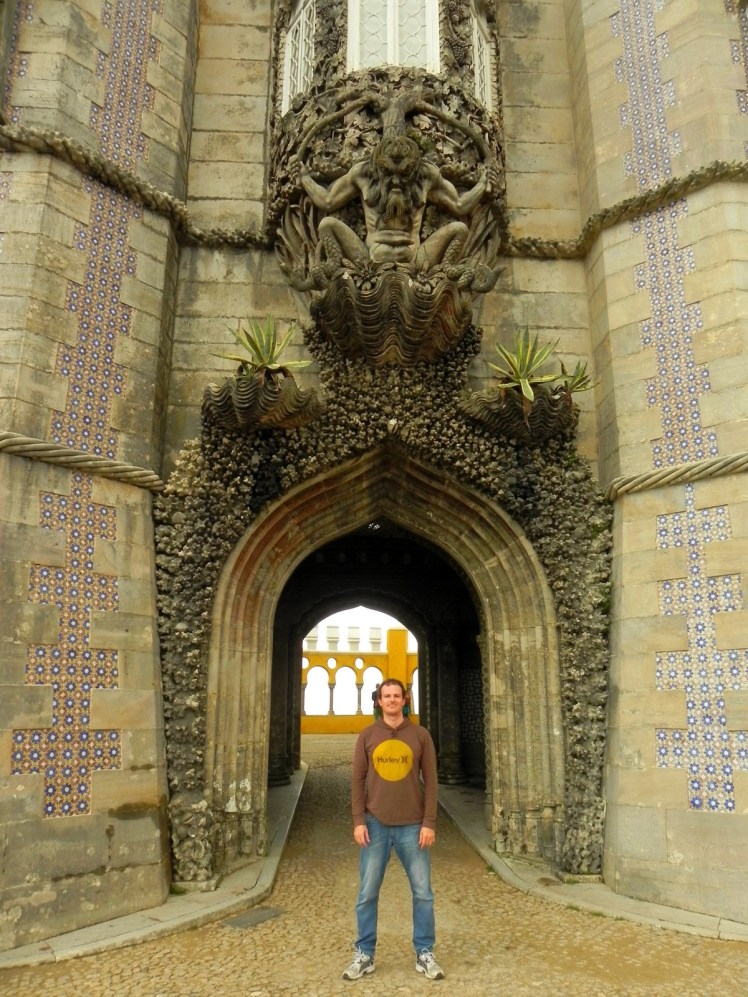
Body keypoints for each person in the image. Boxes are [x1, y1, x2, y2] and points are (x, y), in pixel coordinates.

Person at [342, 678, 444, 981]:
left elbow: (432, 782)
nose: (391, 700)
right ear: (378, 701)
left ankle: (424, 952)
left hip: (413, 826)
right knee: (367, 893)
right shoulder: (367, 736)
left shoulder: (421, 736)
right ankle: (365, 954)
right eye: (386, 696)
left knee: (423, 893)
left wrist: (429, 822)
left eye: (396, 696)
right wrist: (358, 820)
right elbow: (357, 780)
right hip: (375, 825)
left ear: (405, 699)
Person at [299, 133, 496, 272]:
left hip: (417, 259)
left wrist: (482, 184)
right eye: (388, 172)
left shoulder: (426, 177)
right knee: (326, 224)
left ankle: (448, 268)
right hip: (367, 258)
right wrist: (305, 178)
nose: (395, 180)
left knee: (460, 228)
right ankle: (333, 264)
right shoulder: (363, 174)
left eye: (403, 174)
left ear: (413, 168)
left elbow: (459, 204)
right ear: (378, 166)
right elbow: (327, 201)